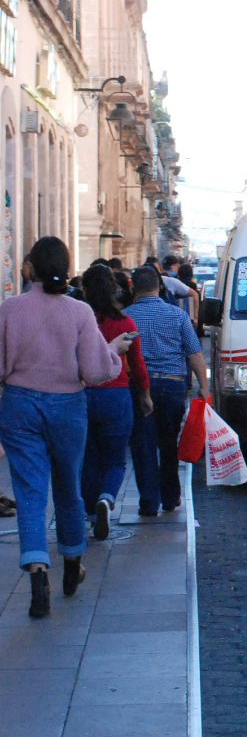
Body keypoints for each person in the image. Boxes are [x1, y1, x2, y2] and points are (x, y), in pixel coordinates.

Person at [0, 237, 131, 618]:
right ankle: (72, 562)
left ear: (30, 269)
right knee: (68, 486)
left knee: (29, 492)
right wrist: (115, 352)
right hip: (68, 407)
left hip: (20, 405)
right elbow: (94, 371)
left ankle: (37, 569)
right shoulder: (79, 312)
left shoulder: (9, 309)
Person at [125, 266, 209, 516]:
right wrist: (203, 386)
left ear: (133, 288)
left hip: (139, 387)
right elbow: (194, 353)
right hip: (172, 386)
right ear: (159, 288)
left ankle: (149, 501)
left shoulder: (126, 317)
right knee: (168, 442)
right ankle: (171, 497)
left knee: (143, 444)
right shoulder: (177, 315)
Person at [80, 264, 152, 541]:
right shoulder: (125, 323)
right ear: (115, 289)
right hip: (117, 396)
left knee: (87, 459)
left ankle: (89, 514)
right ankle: (107, 499)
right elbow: (138, 365)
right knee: (115, 460)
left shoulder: (81, 321)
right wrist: (145, 396)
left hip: (83, 394)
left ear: (85, 290)